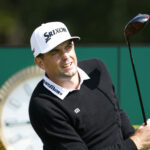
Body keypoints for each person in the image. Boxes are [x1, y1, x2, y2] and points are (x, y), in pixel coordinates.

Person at [29, 21, 150, 150]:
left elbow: (117, 113)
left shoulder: (96, 68)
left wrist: (139, 137)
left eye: (68, 47)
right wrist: (136, 142)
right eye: (55, 52)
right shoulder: (43, 106)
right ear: (40, 62)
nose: (66, 56)